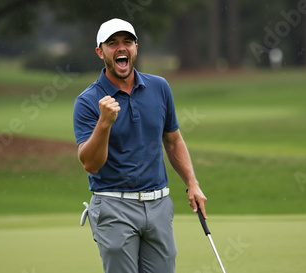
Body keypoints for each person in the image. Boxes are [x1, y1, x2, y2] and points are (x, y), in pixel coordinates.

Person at [73, 18, 207, 273]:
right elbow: (90, 164)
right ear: (101, 52)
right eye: (112, 43)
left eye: (127, 42)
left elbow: (173, 139)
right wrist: (104, 123)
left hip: (158, 205)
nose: (121, 48)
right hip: (113, 205)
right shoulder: (88, 101)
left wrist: (192, 183)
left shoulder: (159, 86)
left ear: (136, 48)